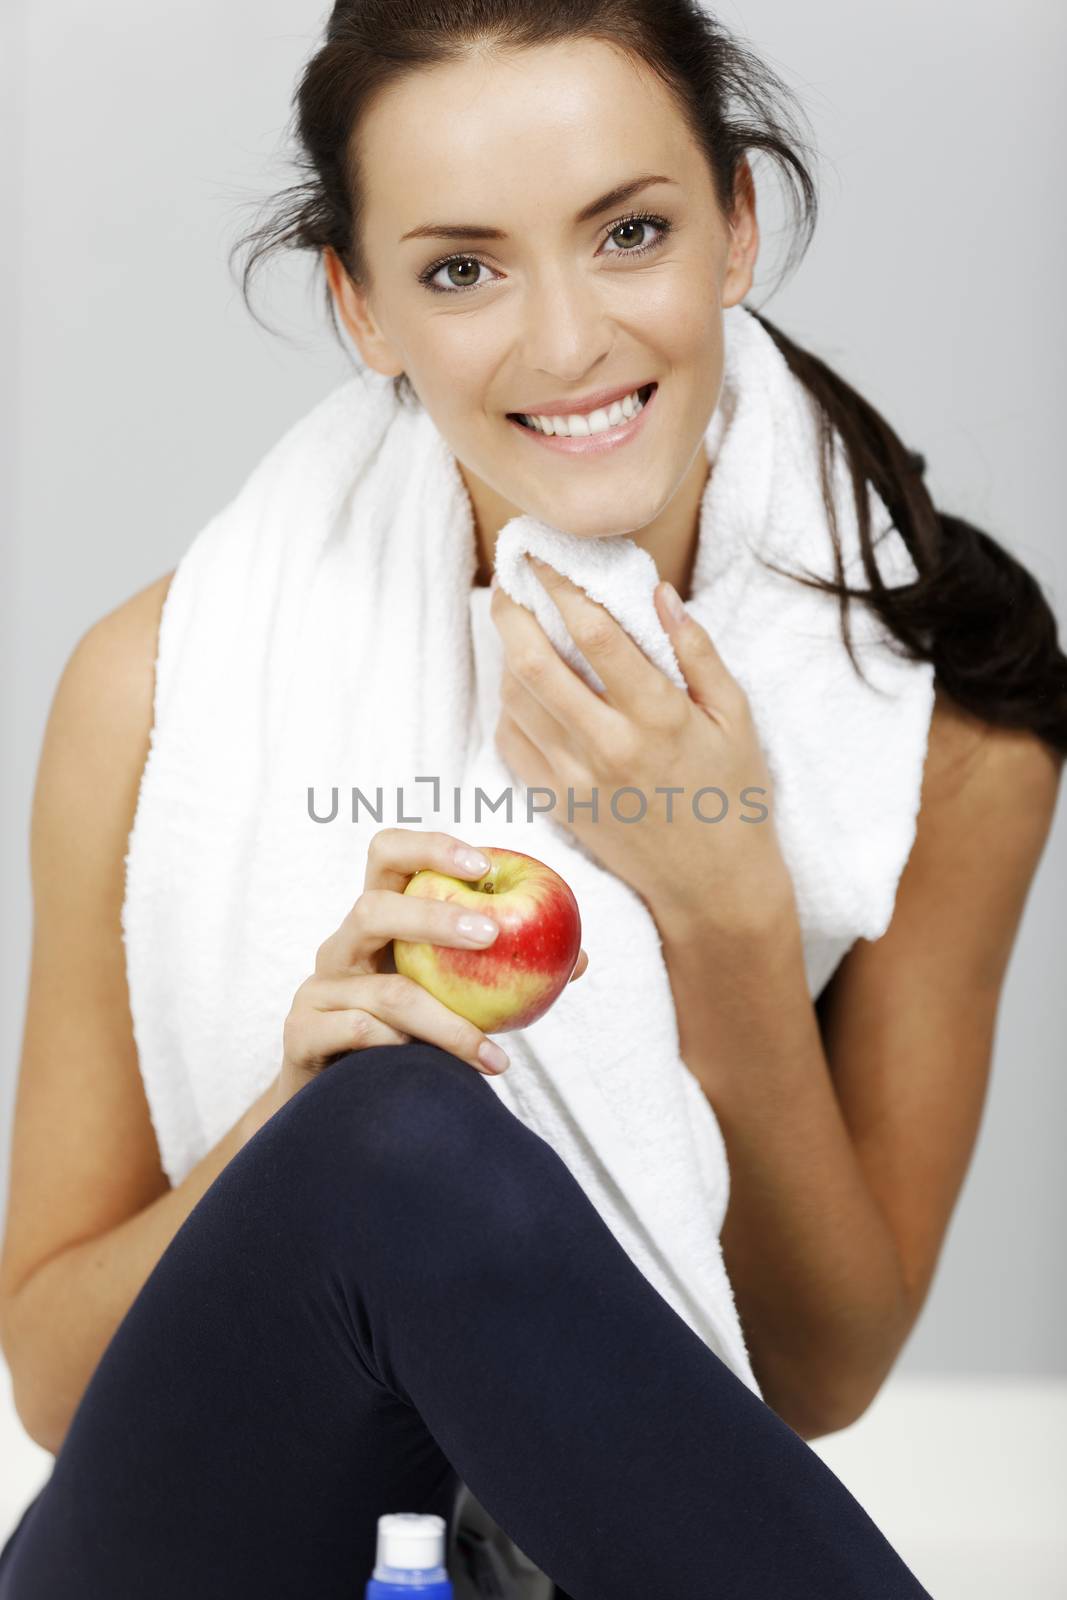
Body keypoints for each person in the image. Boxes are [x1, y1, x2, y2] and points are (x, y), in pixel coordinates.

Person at [0, 2, 1063, 1595]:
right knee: (393, 1131)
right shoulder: (159, 686)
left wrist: (726, 912)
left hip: (619, 1538)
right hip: (228, 1552)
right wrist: (302, 1120)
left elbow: (819, 1371)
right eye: (460, 269)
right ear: (363, 310)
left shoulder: (937, 706)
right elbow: (59, 1384)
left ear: (736, 229)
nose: (567, 344)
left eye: (629, 231)